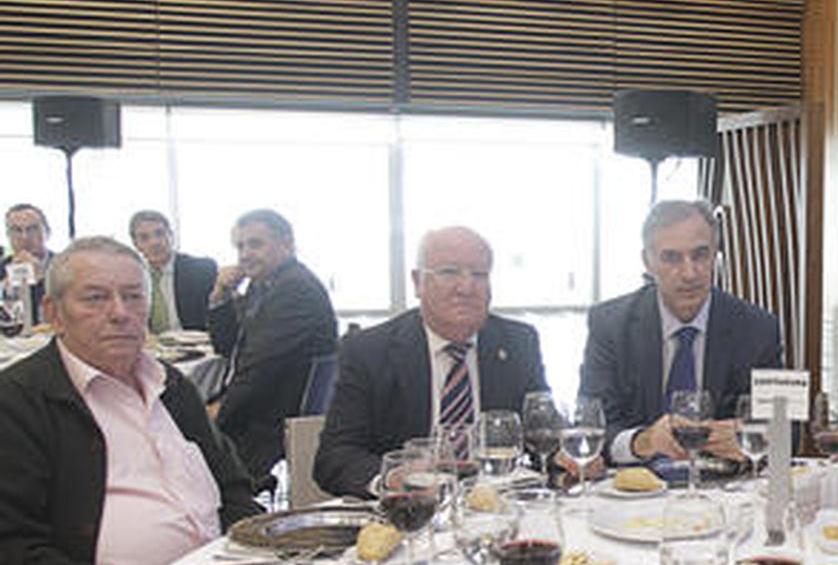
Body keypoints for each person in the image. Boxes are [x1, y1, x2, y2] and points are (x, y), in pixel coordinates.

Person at [0, 237, 260, 565]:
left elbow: (233, 484)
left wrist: (249, 563)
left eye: (133, 296)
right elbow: (14, 554)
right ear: (53, 313)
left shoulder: (172, 385)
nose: (120, 312)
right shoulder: (18, 402)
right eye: (96, 298)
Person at [314, 226, 549, 497]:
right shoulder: (369, 350)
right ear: (417, 282)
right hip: (410, 515)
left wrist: (563, 457)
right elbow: (334, 457)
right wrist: (392, 477)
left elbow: (540, 433)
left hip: (498, 510)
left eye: (479, 275)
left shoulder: (519, 343)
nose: (466, 287)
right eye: (450, 272)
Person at [580, 198, 783, 464]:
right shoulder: (610, 325)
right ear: (648, 262)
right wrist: (644, 440)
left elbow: (785, 429)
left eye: (700, 255)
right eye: (671, 258)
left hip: (725, 494)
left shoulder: (757, 328)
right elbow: (591, 426)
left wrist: (752, 438)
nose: (690, 273)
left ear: (715, 255)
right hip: (634, 493)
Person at [207, 209, 337, 485]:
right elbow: (228, 347)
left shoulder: (296, 290)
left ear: (287, 245)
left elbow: (258, 371)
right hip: (259, 403)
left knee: (186, 447)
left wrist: (216, 416)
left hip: (271, 420)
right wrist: (220, 297)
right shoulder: (264, 285)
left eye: (255, 244)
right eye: (240, 246)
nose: (244, 255)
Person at [127, 209, 217, 333]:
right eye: (144, 237)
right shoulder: (132, 277)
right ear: (135, 244)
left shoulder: (201, 269)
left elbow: (216, 320)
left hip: (194, 347)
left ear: (171, 236)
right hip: (152, 347)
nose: (155, 242)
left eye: (160, 233)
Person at [1, 202, 54, 325]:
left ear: (47, 232)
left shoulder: (65, 265)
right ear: (8, 236)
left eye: (32, 229)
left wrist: (42, 281)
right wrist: (7, 291)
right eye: (16, 230)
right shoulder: (2, 269)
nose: (24, 237)